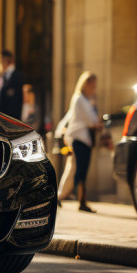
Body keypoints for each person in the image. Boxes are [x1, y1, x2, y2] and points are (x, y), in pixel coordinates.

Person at [57, 71, 102, 212]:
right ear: (86, 84)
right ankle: (80, 201)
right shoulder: (80, 100)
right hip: (79, 140)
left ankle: (58, 197)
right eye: (92, 85)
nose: (94, 89)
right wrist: (97, 124)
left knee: (73, 171)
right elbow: (91, 120)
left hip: (82, 140)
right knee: (79, 171)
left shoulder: (85, 100)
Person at [0, 50, 23, 119]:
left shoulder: (16, 77)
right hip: (1, 118)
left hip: (10, 121)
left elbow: (15, 104)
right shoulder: (3, 77)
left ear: (5, 61)